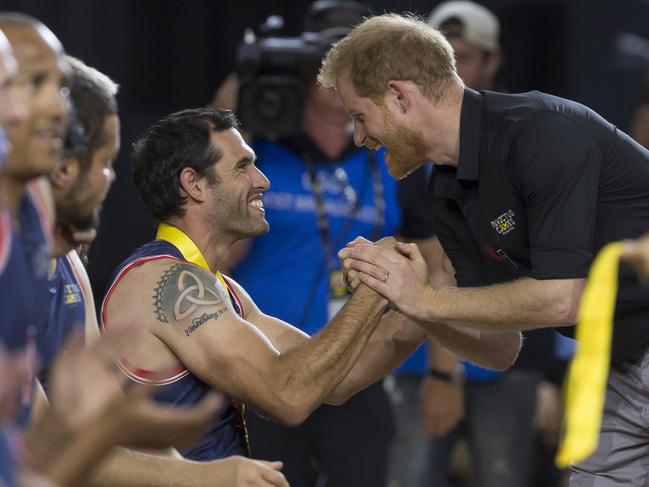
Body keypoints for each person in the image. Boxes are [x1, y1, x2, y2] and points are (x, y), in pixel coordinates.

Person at [318, 12, 649, 487]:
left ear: (399, 96)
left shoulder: (541, 133)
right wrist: (414, 300)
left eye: (360, 117)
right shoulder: (448, 188)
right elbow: (499, 348)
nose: (360, 138)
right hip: (619, 364)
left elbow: (563, 298)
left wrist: (425, 299)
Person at [101, 106, 520, 465]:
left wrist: (422, 299)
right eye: (243, 166)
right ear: (193, 184)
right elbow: (288, 395)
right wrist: (374, 289)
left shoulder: (220, 289)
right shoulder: (166, 281)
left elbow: (334, 376)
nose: (262, 181)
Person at [39, 55, 291, 487]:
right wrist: (202, 477)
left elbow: (103, 427)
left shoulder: (70, 267)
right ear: (61, 168)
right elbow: (43, 446)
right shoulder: (154, 277)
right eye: (103, 162)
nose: (109, 182)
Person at [215, 1, 409, 484]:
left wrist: (443, 376)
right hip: (263, 365)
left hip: (356, 369)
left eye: (352, 59)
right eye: (325, 58)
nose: (335, 75)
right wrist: (247, 77)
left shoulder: (393, 156)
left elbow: (434, 258)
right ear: (303, 64)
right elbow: (216, 248)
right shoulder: (256, 151)